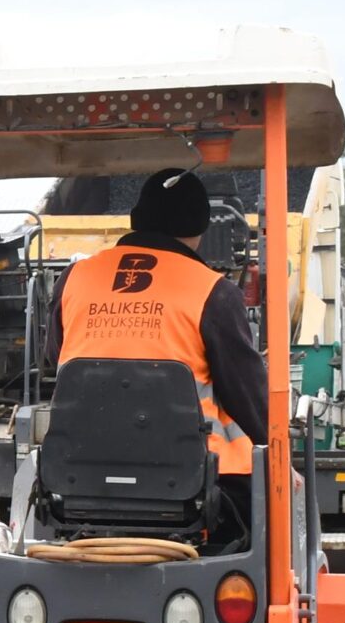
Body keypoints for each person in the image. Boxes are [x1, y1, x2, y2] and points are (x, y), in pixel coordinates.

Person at [53, 167, 266, 513]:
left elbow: (56, 359)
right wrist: (278, 451)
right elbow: (246, 392)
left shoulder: (73, 279)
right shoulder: (213, 291)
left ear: (137, 219)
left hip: (77, 474)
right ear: (200, 227)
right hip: (193, 483)